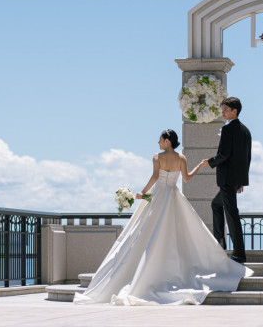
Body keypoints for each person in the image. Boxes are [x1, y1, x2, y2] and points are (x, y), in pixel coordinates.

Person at [74, 129, 251, 306]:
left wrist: (142, 192)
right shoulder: (182, 158)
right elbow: (187, 179)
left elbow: (155, 177)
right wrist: (199, 166)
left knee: (146, 232)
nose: (158, 143)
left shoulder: (157, 157)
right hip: (174, 196)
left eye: (160, 140)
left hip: (159, 196)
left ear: (167, 141)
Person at [200, 97, 251, 264]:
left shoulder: (228, 130)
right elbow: (247, 158)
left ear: (234, 111)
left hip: (227, 179)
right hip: (236, 179)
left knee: (232, 215)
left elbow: (224, 154)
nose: (222, 112)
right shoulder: (246, 131)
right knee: (216, 204)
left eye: (225, 110)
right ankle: (220, 243)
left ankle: (239, 253)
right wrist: (242, 180)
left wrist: (210, 162)